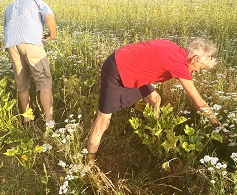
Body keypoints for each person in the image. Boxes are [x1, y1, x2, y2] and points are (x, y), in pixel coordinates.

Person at [87, 38, 220, 160]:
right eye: (200, 68)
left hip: (127, 63)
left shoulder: (173, 47)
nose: (197, 72)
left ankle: (153, 134)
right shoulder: (179, 65)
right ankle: (90, 159)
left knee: (154, 99)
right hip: (116, 69)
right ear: (195, 59)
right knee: (104, 120)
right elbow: (199, 103)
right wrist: (217, 126)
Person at [4, 0, 57, 127]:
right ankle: (49, 120)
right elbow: (49, 17)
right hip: (30, 41)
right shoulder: (37, 2)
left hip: (11, 43)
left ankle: (27, 118)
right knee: (43, 79)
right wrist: (52, 35)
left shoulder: (11, 6)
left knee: (22, 82)